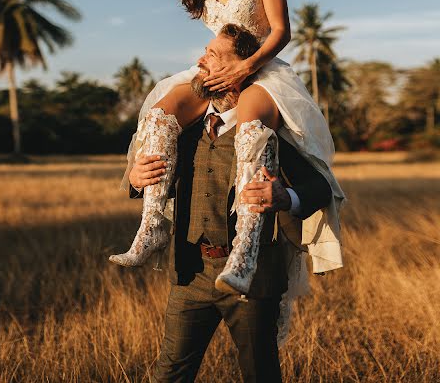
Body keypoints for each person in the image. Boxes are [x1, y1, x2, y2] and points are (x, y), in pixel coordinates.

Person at [109, 0, 344, 294]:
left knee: (253, 124)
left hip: (256, 67)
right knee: (160, 113)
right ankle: (153, 223)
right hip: (213, 69)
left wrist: (245, 67)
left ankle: (246, 248)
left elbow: (281, 31)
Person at [125, 25, 340, 382]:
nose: (199, 62)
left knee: (260, 374)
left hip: (254, 281)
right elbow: (154, 178)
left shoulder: (273, 132)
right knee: (170, 374)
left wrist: (287, 197)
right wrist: (136, 180)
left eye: (211, 56)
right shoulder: (184, 130)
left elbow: (322, 186)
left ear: (239, 70)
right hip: (190, 272)